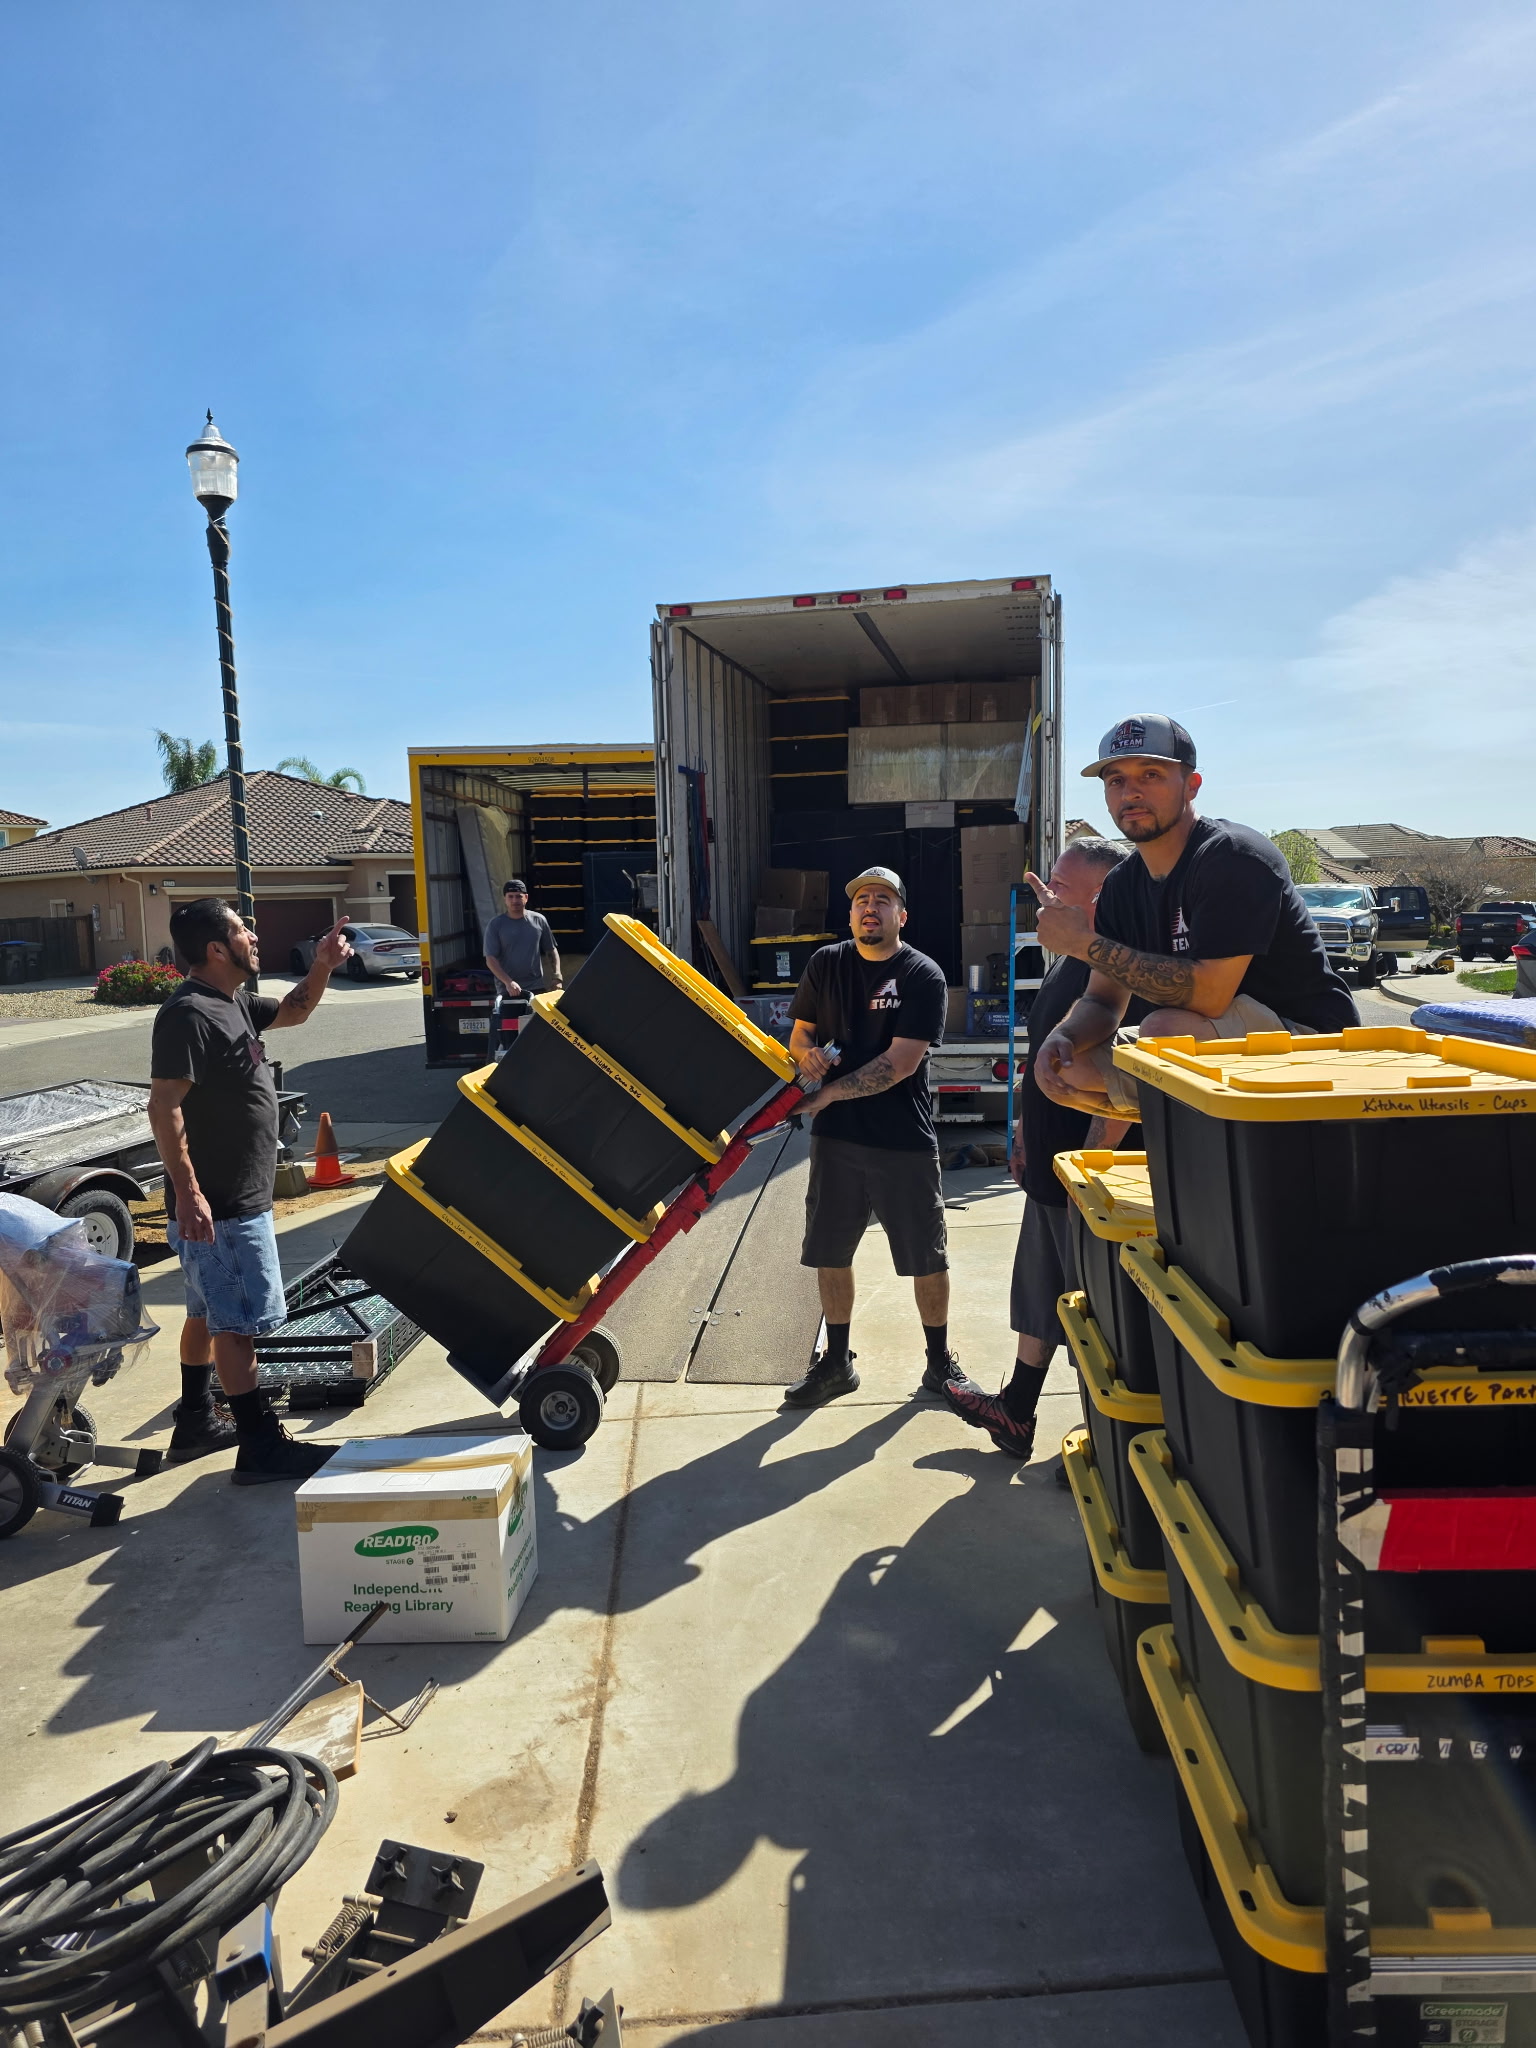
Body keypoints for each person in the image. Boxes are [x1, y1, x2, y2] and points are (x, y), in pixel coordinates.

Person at [1029, 715, 1358, 1125]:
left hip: (1313, 1043)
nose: (1131, 792)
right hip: (1217, 1044)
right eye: (1116, 780)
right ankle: (1193, 1131)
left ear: (1192, 785)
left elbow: (1209, 997)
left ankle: (1213, 1124)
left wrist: (1081, 943)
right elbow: (1102, 1000)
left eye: (1151, 775)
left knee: (1166, 1029)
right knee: (1066, 1068)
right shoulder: (1121, 884)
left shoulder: (1233, 856)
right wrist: (1064, 1035)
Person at [147, 898, 355, 1483]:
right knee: (237, 1328)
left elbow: (294, 1011)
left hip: (223, 1202)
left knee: (208, 1314)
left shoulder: (229, 1001)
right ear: (217, 949)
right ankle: (260, 1447)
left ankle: (194, 1419)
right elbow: (164, 1107)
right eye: (242, 929)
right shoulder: (188, 1013)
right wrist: (190, 1194)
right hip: (221, 1204)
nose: (254, 935)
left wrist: (323, 965)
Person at [942, 837, 1133, 1458]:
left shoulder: (1126, 970)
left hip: (1088, 1179)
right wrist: (1022, 1133)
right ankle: (1017, 1414)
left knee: (1096, 1315)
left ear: (1100, 899)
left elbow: (1128, 1085)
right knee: (1038, 1291)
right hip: (1049, 1165)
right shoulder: (1065, 965)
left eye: (1060, 888)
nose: (1043, 897)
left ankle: (1107, 1445)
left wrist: (1092, 1174)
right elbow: (1038, 1054)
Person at [782, 866, 959, 1409]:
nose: (870, 908)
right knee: (831, 1253)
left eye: (883, 900)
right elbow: (801, 1030)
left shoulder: (922, 975)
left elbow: (901, 1064)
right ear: (851, 912)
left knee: (926, 1257)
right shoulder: (825, 964)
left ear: (901, 916)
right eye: (861, 899)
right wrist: (803, 1053)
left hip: (901, 1138)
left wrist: (829, 1094)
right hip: (836, 1141)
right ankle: (836, 1364)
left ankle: (938, 1364)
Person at [484, 880, 561, 1001]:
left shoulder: (539, 920)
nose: (514, 900)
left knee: (538, 1020)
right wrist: (508, 982)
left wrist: (557, 976)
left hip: (536, 986)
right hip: (508, 989)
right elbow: (490, 959)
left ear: (526, 898)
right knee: (511, 1020)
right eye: (510, 896)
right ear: (505, 899)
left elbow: (551, 950)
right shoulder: (496, 925)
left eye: (519, 896)